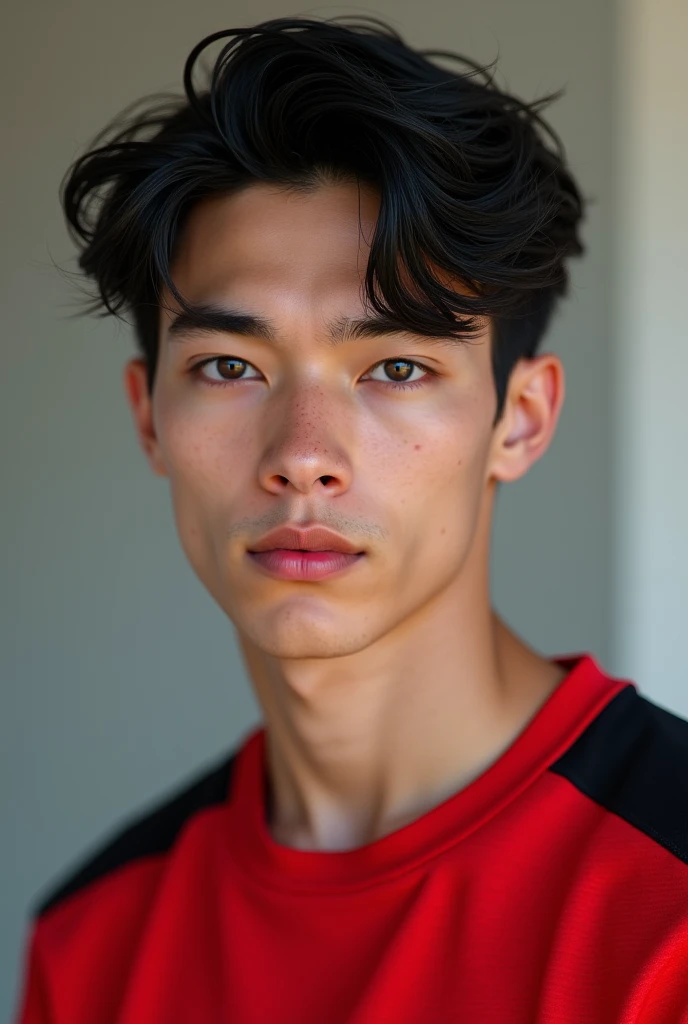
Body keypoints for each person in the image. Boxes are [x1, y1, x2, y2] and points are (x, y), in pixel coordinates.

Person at [14, 15, 688, 1024]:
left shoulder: (665, 903)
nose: (302, 456)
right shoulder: (94, 937)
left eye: (398, 367)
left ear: (522, 418)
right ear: (150, 415)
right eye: (230, 367)